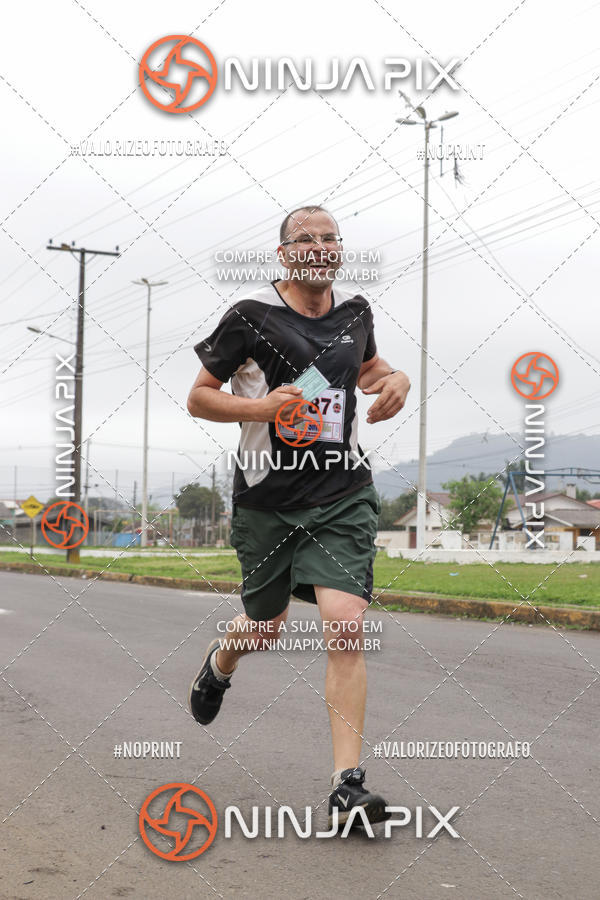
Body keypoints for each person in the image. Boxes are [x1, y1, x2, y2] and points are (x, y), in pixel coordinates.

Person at [186, 205, 410, 826]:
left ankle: (347, 784)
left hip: (342, 494)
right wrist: (262, 412)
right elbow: (199, 397)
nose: (318, 246)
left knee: (345, 624)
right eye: (303, 238)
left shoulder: (356, 312)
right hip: (267, 500)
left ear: (340, 250)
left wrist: (395, 379)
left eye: (328, 237)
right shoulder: (251, 317)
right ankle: (220, 662)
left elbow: (365, 367)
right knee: (265, 626)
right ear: (284, 254)